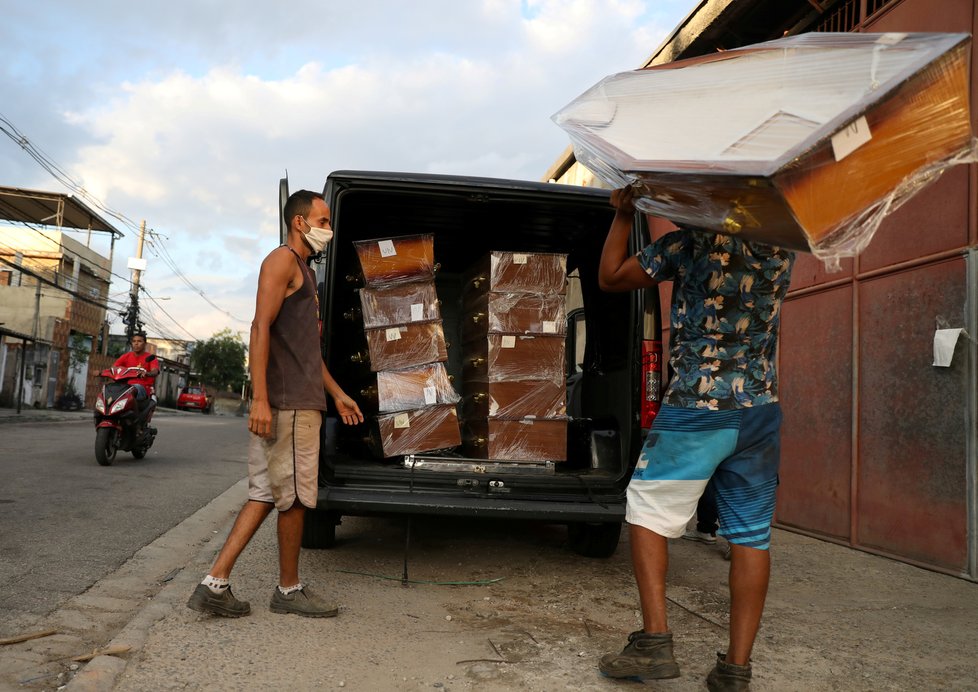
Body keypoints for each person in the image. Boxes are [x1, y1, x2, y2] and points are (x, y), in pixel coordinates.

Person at [596, 186, 794, 691]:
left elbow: (610, 277)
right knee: (750, 536)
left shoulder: (686, 244)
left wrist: (624, 215)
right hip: (761, 410)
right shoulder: (781, 247)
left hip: (697, 408)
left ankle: (655, 642)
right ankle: (735, 670)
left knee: (647, 510)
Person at [187, 190, 364, 619]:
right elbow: (258, 327)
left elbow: (306, 353)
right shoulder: (282, 260)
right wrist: (260, 399)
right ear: (300, 222)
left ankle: (216, 582)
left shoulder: (303, 269)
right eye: (323, 220)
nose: (329, 228)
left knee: (266, 494)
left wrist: (337, 393)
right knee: (297, 498)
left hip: (301, 397)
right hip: (289, 404)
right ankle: (288, 590)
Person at [113, 331, 159, 401]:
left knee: (133, 389)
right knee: (111, 388)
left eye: (139, 341)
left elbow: (155, 371)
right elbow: (114, 367)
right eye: (134, 341)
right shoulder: (126, 356)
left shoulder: (150, 357)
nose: (136, 343)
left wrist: (147, 373)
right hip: (126, 386)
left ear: (145, 344)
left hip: (143, 388)